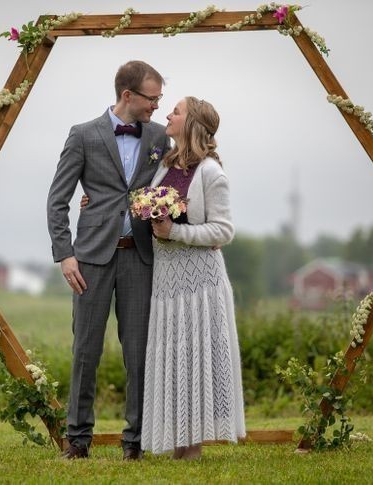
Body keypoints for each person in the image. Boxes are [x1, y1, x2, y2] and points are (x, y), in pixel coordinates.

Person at [46, 60, 172, 461]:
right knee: (85, 352)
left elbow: (175, 184)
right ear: (127, 95)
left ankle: (134, 443)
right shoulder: (83, 135)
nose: (157, 106)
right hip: (91, 261)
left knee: (139, 354)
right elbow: (57, 200)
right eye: (152, 98)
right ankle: (77, 441)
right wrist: (65, 254)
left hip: (140, 258)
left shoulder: (159, 137)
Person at [141, 96, 246, 460]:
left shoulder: (211, 173)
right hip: (166, 283)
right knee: (174, 363)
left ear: (192, 124)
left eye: (176, 111)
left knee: (197, 362)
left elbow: (223, 230)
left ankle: (193, 449)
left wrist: (177, 233)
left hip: (200, 285)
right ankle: (177, 445)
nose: (168, 115)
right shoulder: (165, 166)